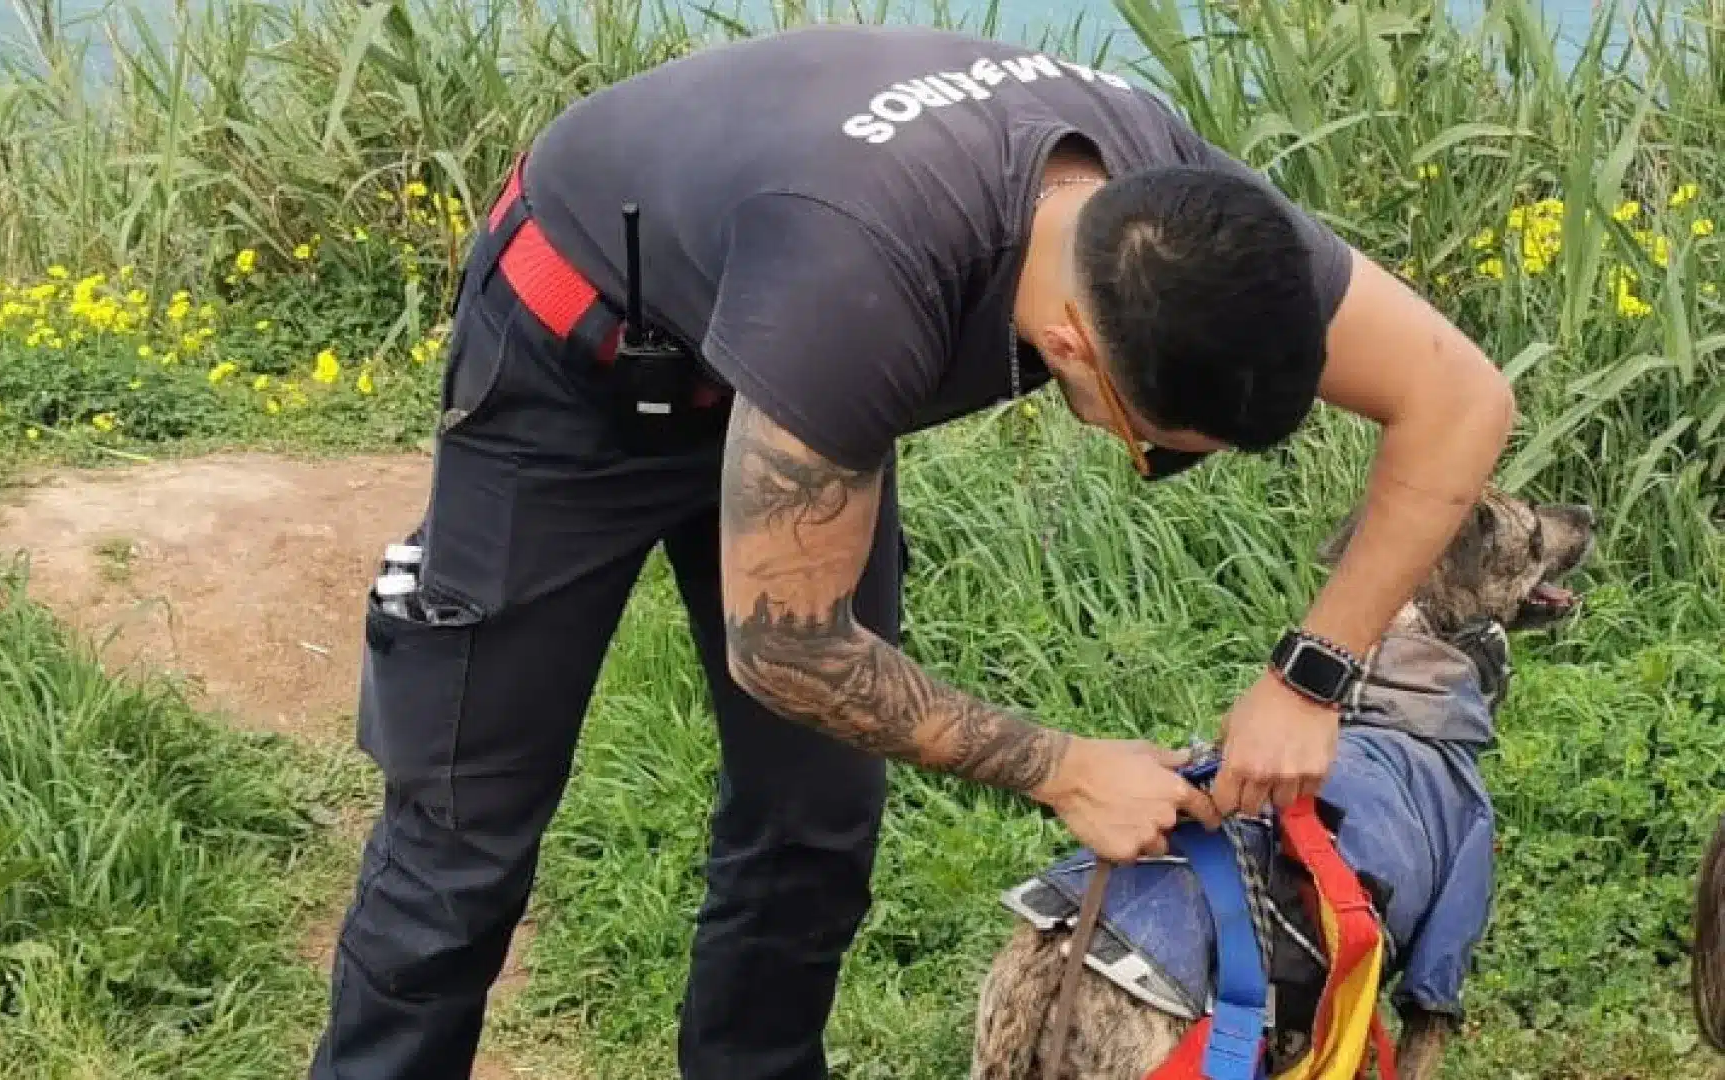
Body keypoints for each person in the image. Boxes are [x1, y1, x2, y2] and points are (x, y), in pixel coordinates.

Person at [307, 21, 1515, 1080]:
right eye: (1157, 445)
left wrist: (1312, 678)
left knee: (814, 820)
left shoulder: (1191, 223)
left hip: (798, 374)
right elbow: (788, 651)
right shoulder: (865, 283)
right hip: (581, 359)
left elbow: (1459, 396)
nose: (1147, 467)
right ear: (1071, 345)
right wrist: (1061, 767)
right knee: (464, 833)